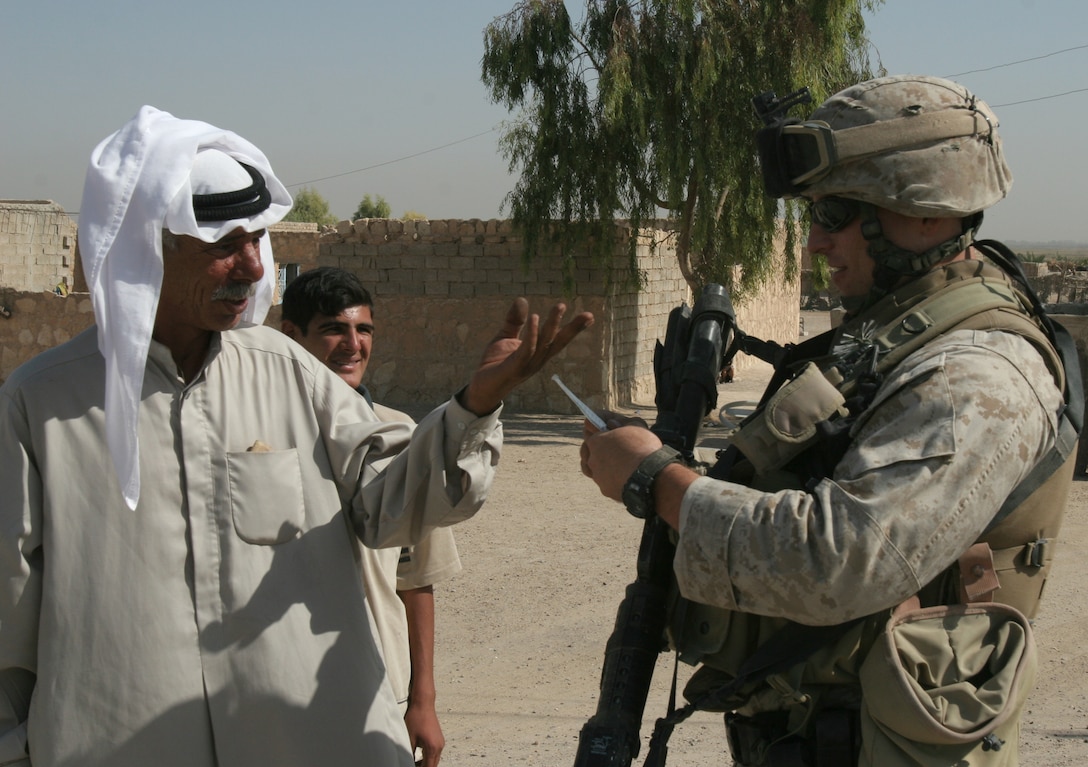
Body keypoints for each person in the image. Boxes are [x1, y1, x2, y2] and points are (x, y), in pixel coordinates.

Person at [0, 105, 593, 767]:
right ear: (152, 245)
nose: (255, 267)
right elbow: (9, 621)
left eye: (257, 239)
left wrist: (475, 405)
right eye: (226, 244)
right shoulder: (41, 402)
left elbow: (388, 504)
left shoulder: (291, 374)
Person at [580, 75, 1080, 766]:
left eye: (835, 214)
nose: (814, 243)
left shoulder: (975, 372)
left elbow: (843, 558)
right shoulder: (900, 331)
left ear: (928, 213)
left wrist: (658, 481)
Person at [280, 266, 460, 767]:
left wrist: (423, 699)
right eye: (333, 328)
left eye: (364, 330)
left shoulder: (400, 434)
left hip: (383, 684)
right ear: (290, 336)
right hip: (281, 688)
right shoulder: (263, 439)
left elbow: (416, 577)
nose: (352, 344)